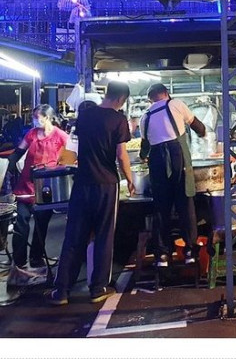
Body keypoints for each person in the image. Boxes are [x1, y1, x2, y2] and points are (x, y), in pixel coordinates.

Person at [46, 81, 134, 305]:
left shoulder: (84, 116)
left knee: (74, 236)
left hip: (82, 182)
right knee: (104, 235)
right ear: (120, 99)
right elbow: (121, 155)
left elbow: (74, 148)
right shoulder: (118, 119)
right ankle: (98, 288)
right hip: (106, 184)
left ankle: (61, 291)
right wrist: (130, 179)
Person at [139, 83, 206, 267]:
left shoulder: (145, 117)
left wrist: (143, 157)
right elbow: (197, 126)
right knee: (185, 203)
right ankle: (190, 251)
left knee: (161, 207)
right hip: (178, 158)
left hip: (157, 162)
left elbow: (144, 148)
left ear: (150, 99)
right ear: (166, 94)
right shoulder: (176, 104)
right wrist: (204, 134)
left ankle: (162, 255)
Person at [7, 104, 68, 269]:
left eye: (36, 117)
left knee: (41, 224)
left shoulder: (60, 136)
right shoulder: (32, 134)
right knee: (21, 222)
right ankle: (19, 261)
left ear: (47, 118)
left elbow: (70, 157)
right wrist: (8, 164)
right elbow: (19, 151)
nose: (34, 120)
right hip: (26, 185)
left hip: (46, 187)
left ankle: (36, 257)